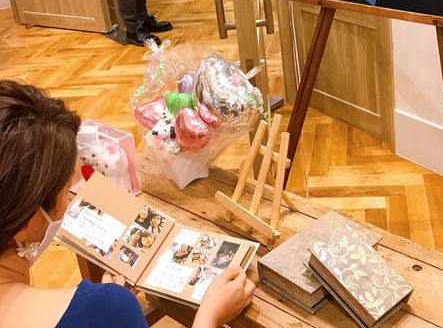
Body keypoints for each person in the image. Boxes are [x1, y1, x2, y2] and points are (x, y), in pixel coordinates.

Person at [0, 80, 255, 328]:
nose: (70, 202)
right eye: (67, 191)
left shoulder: (103, 308)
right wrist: (209, 317)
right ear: (25, 223)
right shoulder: (105, 309)